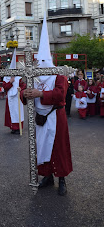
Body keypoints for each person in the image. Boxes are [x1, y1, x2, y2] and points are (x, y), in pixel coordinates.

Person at [21, 12, 73, 196]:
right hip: (39, 118)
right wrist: (25, 92)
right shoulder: (32, 75)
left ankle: (62, 179)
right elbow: (23, 90)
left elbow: (61, 95)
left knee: (58, 148)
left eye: (44, 61)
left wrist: (40, 93)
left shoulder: (59, 74)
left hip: (56, 117)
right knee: (42, 147)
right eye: (39, 61)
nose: (41, 64)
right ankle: (47, 176)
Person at [2, 48, 26, 134]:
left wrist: (21, 89)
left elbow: (23, 85)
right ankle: (13, 127)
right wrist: (10, 82)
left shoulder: (19, 78)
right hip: (10, 98)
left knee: (18, 113)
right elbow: (5, 87)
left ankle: (18, 127)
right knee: (11, 113)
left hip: (17, 98)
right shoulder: (6, 78)